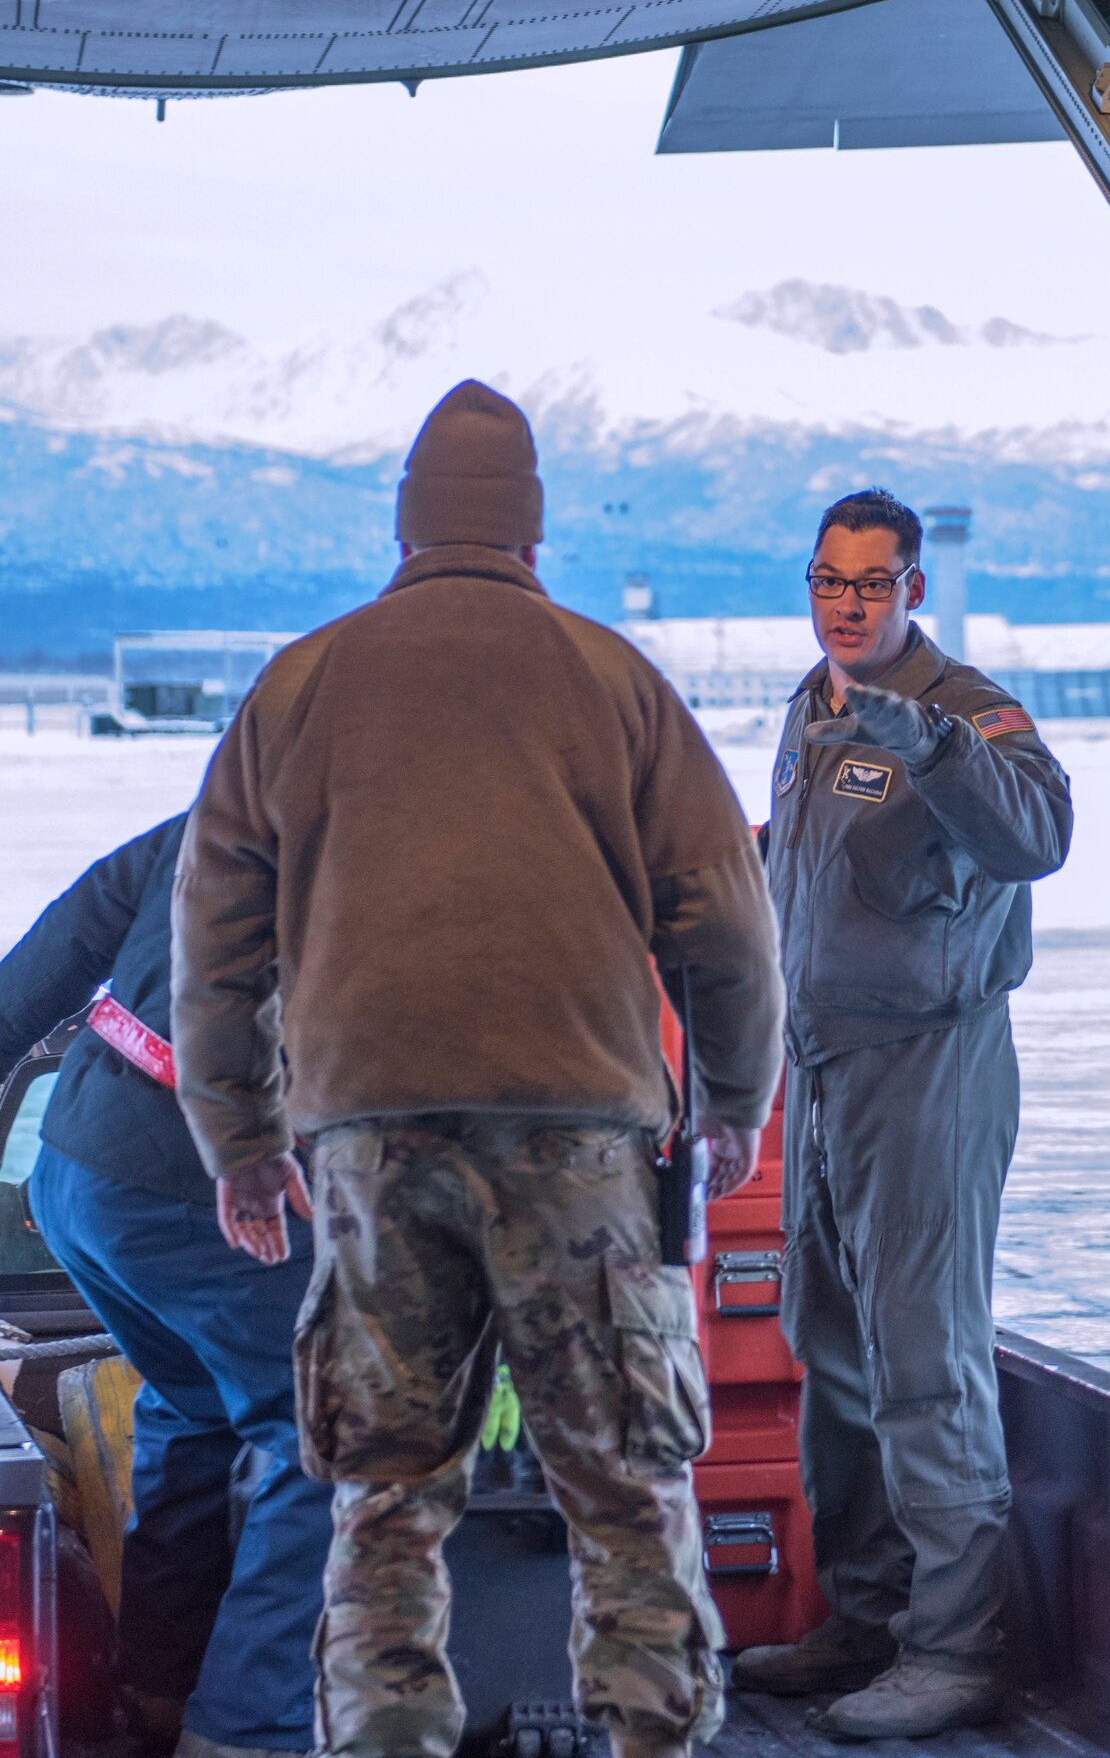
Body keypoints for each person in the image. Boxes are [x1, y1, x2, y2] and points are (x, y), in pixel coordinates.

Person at [170, 380, 785, 1758]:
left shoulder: (298, 684)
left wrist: (242, 1140)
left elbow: (211, 944)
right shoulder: (612, 677)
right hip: (581, 1142)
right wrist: (733, 1106)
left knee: (385, 1499)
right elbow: (727, 923)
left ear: (404, 527)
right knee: (623, 1487)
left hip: (371, 1149)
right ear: (532, 531)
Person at [733, 488, 1073, 1739]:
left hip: (931, 1065)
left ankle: (958, 1643)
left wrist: (936, 749)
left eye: (873, 584)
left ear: (914, 589)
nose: (848, 604)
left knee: (924, 1358)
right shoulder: (808, 708)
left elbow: (1041, 833)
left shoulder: (966, 712)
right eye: (829, 580)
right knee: (829, 1344)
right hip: (822, 1066)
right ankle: (867, 1618)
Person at [0, 815, 332, 1758]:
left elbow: (70, 935)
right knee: (332, 1432)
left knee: (197, 1407)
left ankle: (153, 1688)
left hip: (76, 1172)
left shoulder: (245, 793)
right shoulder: (417, 835)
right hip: (196, 1187)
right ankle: (244, 1732)